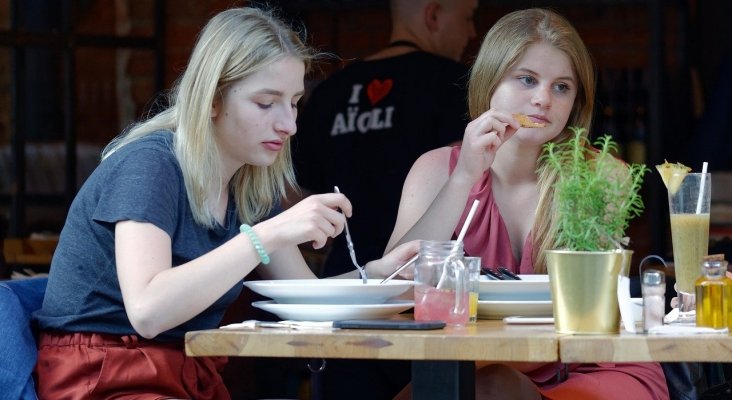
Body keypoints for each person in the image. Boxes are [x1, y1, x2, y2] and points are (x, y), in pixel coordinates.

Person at [31, 7, 418, 399]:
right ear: (212, 99)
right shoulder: (151, 165)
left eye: (295, 102)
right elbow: (149, 311)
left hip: (182, 372)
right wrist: (264, 237)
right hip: (102, 374)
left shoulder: (249, 184)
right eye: (267, 103)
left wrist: (379, 277)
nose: (289, 124)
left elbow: (307, 300)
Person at [386, 8, 670, 400]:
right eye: (526, 79)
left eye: (561, 87)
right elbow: (395, 288)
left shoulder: (602, 175)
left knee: (494, 387)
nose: (542, 100)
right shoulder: (436, 170)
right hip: (480, 364)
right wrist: (464, 177)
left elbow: (585, 308)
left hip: (593, 365)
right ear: (490, 82)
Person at [293, 0, 476, 279]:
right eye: (467, 18)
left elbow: (299, 193)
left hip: (344, 274)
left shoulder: (332, 91)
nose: (472, 32)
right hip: (423, 277)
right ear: (434, 14)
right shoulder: (455, 84)